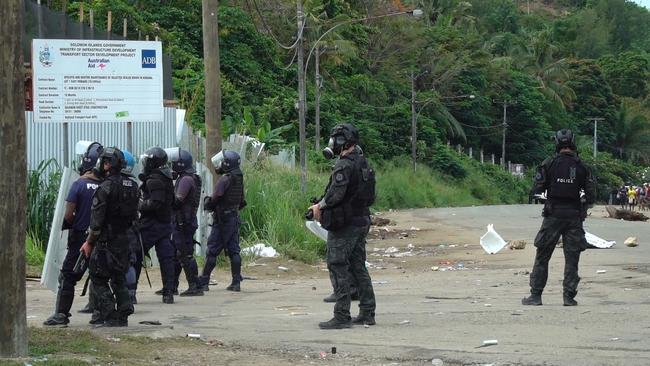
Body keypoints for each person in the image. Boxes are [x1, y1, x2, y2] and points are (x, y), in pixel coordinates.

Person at [308, 123, 377, 329]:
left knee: (337, 264)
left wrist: (318, 207)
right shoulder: (363, 162)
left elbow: (336, 194)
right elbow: (371, 196)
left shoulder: (344, 165)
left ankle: (342, 315)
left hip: (345, 223)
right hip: (361, 220)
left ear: (340, 141)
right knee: (358, 267)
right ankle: (367, 312)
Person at [522, 129, 595, 307]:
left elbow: (536, 191)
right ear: (573, 143)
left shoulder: (549, 163)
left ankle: (536, 296)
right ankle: (569, 297)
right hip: (574, 217)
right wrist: (582, 209)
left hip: (553, 215)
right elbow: (591, 196)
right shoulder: (582, 167)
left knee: (542, 256)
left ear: (557, 142)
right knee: (572, 258)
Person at [44, 142, 104, 326]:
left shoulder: (78, 185)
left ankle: (61, 314)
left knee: (68, 276)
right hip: (102, 238)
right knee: (100, 276)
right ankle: (100, 314)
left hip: (80, 238)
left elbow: (68, 214)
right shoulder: (106, 186)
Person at [80, 147, 140, 326]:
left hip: (106, 240)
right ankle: (124, 310)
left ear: (107, 164)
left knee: (98, 277)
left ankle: (109, 313)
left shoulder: (105, 187)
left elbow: (96, 221)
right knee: (118, 276)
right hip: (125, 238)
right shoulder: (133, 185)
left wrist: (89, 242)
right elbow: (135, 215)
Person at [199, 150, 246, 292]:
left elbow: (215, 198)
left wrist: (208, 203)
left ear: (227, 164)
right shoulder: (238, 179)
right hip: (233, 218)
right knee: (234, 251)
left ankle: (204, 281)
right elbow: (242, 201)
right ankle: (236, 282)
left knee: (212, 250)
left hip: (223, 220)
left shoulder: (225, 179)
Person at [136, 147, 176, 304]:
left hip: (152, 225)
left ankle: (131, 293)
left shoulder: (154, 179)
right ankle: (168, 293)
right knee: (166, 259)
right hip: (164, 224)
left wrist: (139, 204)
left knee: (135, 255)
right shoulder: (166, 177)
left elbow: (156, 203)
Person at [168, 148, 204, 296]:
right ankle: (172, 286)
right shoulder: (189, 177)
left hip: (183, 223)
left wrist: (166, 196)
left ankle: (195, 286)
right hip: (184, 221)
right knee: (177, 254)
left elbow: (177, 201)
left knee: (185, 254)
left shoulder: (186, 180)